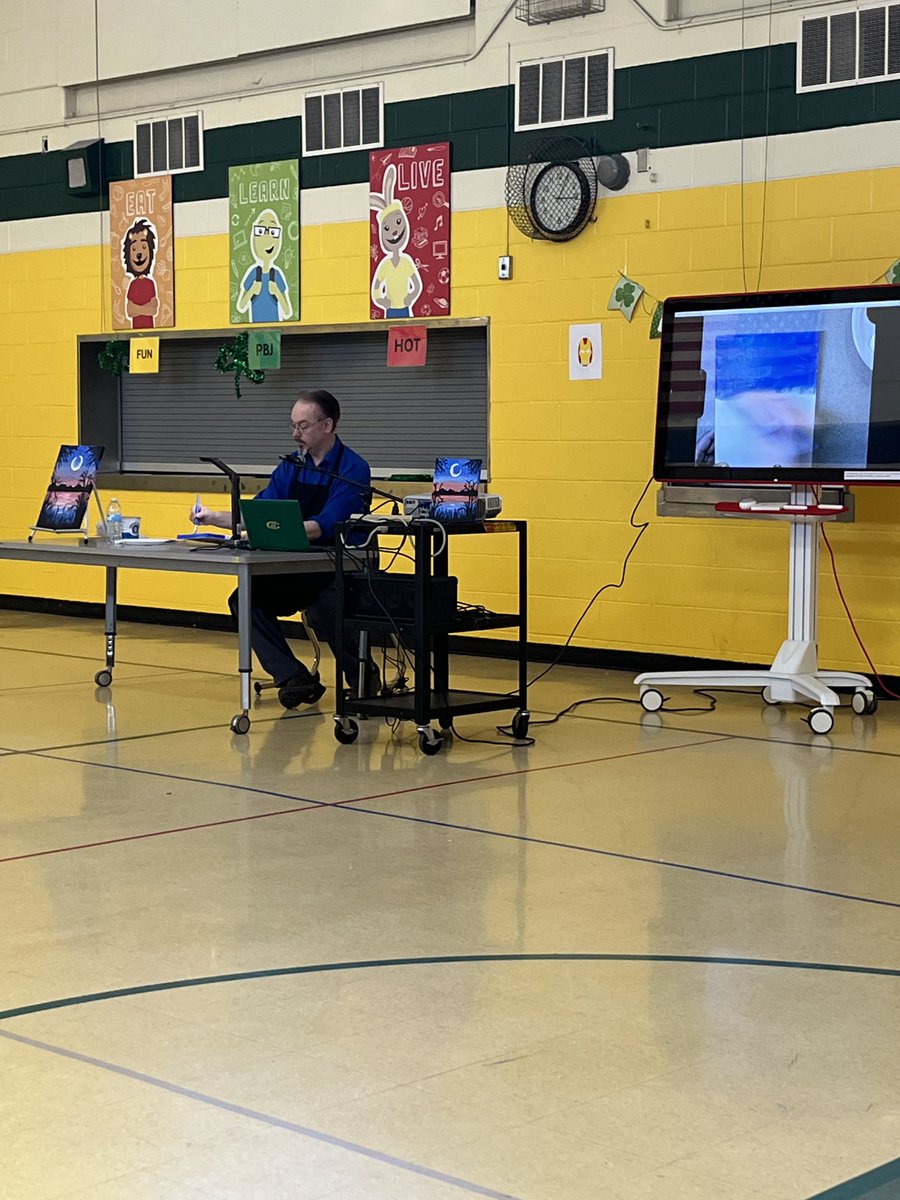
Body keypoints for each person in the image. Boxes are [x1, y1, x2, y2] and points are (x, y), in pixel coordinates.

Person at [192, 389, 376, 709]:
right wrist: (214, 517)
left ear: (327, 425)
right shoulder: (291, 466)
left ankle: (362, 676)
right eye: (292, 426)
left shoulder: (353, 469)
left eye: (302, 426)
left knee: (324, 608)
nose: (295, 434)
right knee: (245, 599)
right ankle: (293, 677)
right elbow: (261, 512)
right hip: (294, 564)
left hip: (336, 565)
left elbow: (325, 524)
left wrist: (278, 528)